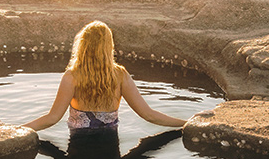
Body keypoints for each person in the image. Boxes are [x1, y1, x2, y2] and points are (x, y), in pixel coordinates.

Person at [22, 21, 186, 131]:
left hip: (78, 148)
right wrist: (186, 124)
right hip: (110, 146)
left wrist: (18, 129)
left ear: (83, 45)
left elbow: (52, 118)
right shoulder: (120, 75)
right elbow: (148, 115)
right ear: (109, 46)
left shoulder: (71, 76)